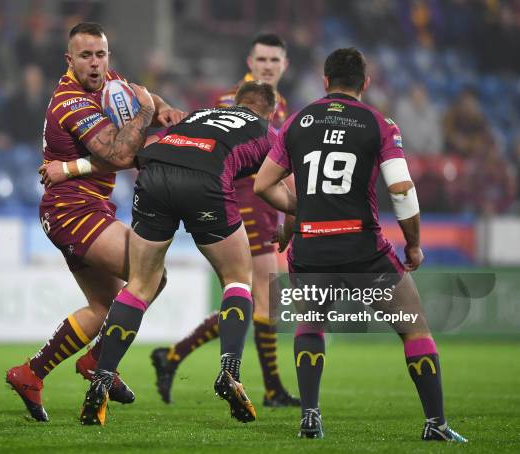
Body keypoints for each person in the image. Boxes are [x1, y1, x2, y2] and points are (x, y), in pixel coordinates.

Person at [253, 47, 467, 442]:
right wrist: (414, 245)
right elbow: (401, 189)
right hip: (363, 248)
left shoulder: (298, 122)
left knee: (310, 323)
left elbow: (263, 184)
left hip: (311, 246)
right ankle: (435, 424)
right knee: (414, 327)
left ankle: (310, 419)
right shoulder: (378, 123)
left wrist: (302, 212)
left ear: (325, 80)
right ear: (365, 83)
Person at [5, 22, 185, 422]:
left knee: (103, 306)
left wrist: (162, 107)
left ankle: (31, 374)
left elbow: (139, 95)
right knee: (151, 276)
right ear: (70, 60)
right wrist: (149, 116)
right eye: (85, 56)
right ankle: (99, 361)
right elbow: (120, 155)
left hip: (83, 207)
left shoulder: (107, 81)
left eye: (100, 55)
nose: (95, 63)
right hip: (74, 211)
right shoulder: (71, 102)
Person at [79, 81, 277, 426]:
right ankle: (230, 372)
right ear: (269, 111)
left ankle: (101, 379)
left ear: (234, 102)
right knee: (237, 281)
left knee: (140, 284)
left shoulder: (199, 114)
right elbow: (274, 184)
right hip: (205, 181)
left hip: (155, 173)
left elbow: (149, 147)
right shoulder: (267, 131)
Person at [150, 32, 300, 408]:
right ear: (249, 63)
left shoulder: (279, 104)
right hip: (239, 199)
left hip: (267, 204)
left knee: (255, 297)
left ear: (284, 65)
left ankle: (172, 356)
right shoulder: (230, 102)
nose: (267, 66)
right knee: (262, 294)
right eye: (261, 59)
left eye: (274, 60)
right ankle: (271, 389)